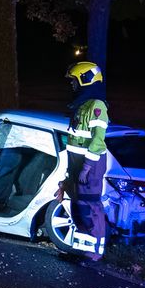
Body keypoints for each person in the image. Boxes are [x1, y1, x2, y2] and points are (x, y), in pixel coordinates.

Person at [60, 61, 109, 261]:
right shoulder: (82, 106)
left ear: (86, 80)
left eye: (74, 80)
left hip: (90, 165)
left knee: (90, 206)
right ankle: (82, 249)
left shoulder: (97, 106)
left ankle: (94, 253)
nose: (72, 85)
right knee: (78, 206)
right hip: (77, 163)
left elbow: (97, 140)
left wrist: (87, 167)